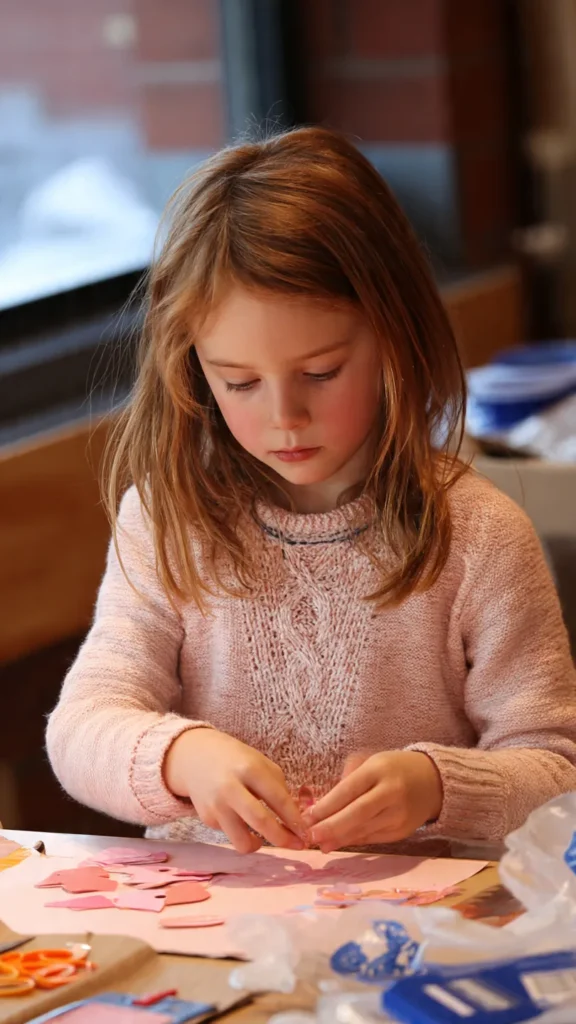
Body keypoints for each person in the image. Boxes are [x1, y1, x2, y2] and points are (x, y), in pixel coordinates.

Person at [46, 127, 576, 856]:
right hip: (211, 902)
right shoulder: (166, 520)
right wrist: (181, 757)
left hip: (415, 912)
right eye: (240, 382)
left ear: (395, 337)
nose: (284, 416)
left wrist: (438, 785)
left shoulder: (480, 534)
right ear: (194, 368)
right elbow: (80, 726)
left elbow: (555, 765)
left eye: (320, 373)